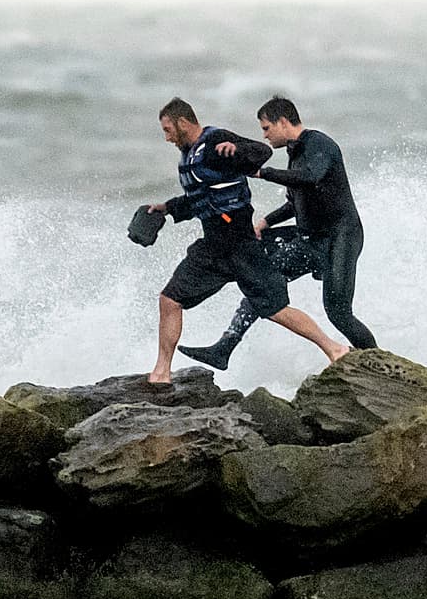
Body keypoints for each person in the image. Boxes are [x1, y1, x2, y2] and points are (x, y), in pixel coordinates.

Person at [146, 97, 349, 384]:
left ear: (182, 122)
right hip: (213, 246)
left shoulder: (214, 140)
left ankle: (335, 349)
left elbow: (261, 150)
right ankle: (161, 373)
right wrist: (166, 208)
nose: (167, 137)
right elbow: (200, 200)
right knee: (170, 299)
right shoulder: (189, 156)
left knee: (276, 309)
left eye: (168, 130)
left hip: (242, 245)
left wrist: (237, 149)